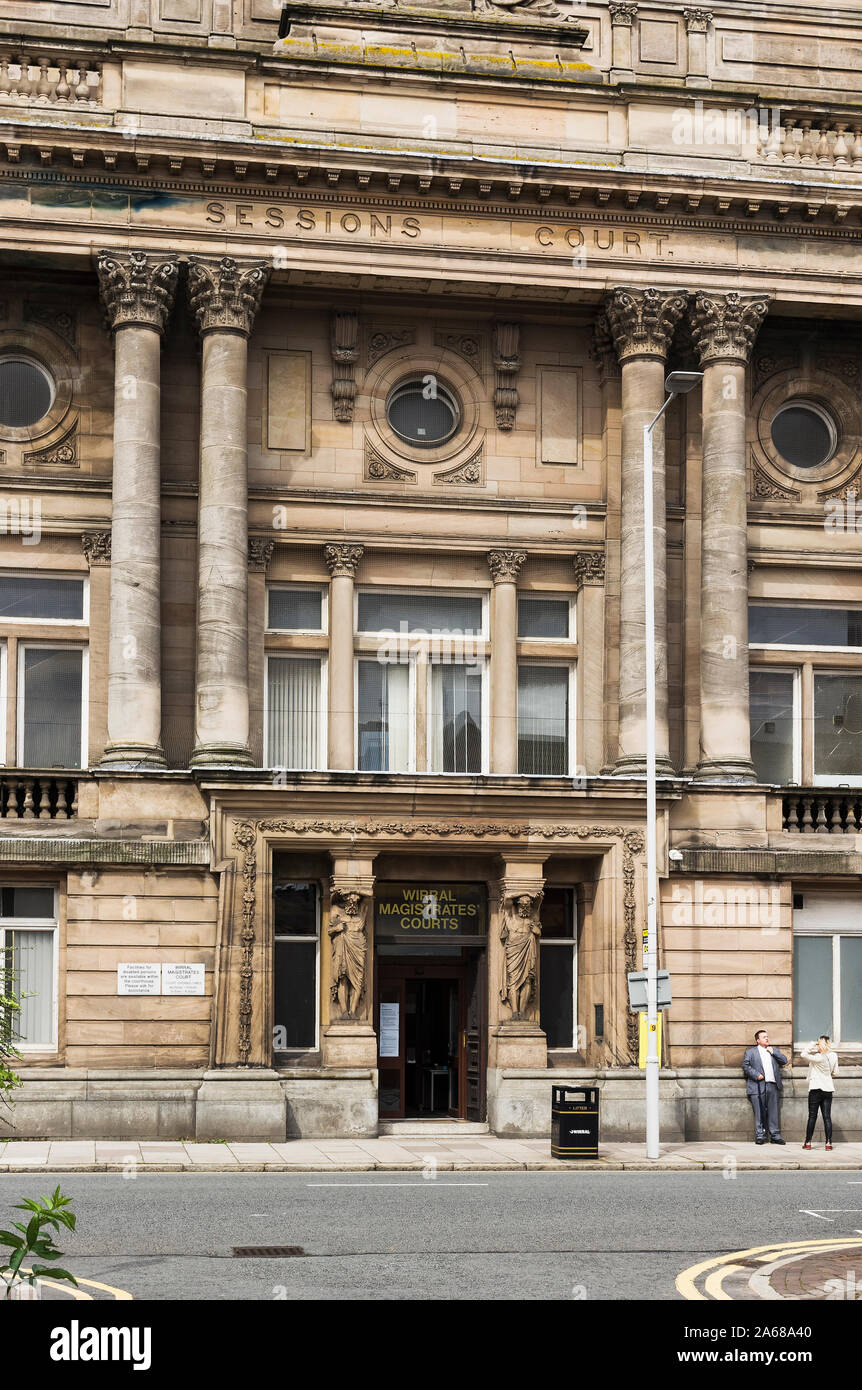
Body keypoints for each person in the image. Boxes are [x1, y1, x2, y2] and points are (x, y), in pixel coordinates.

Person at [742, 1028, 788, 1144]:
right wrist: (756, 1075)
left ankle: (775, 1136)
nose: (767, 1038)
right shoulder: (751, 1052)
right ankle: (760, 1135)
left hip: (773, 1085)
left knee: (773, 1111)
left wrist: (774, 1052)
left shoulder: (773, 1051)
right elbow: (745, 1066)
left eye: (767, 1036)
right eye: (764, 1037)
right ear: (758, 1040)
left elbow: (784, 1061)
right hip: (757, 1085)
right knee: (759, 1111)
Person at [801, 1035, 838, 1150]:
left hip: (816, 1089)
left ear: (821, 1045)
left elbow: (803, 1054)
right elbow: (835, 1072)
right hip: (828, 1090)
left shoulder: (819, 1057)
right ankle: (828, 1143)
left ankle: (808, 1142)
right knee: (827, 1117)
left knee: (812, 1116)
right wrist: (827, 1076)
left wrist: (812, 1043)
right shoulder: (833, 1055)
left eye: (818, 1043)